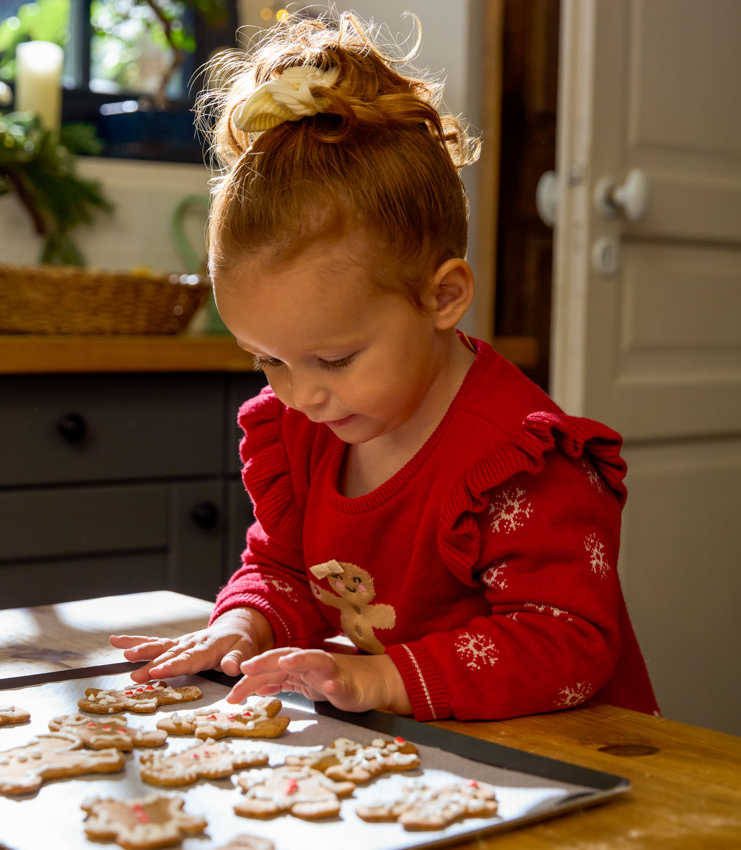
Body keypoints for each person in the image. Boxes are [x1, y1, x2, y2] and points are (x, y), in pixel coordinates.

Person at [111, 9, 659, 721]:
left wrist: (382, 679)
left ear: (443, 297)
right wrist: (241, 627)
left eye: (334, 358)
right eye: (268, 360)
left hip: (578, 769)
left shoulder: (523, 461)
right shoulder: (305, 429)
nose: (302, 393)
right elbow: (281, 570)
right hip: (431, 757)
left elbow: (565, 642)